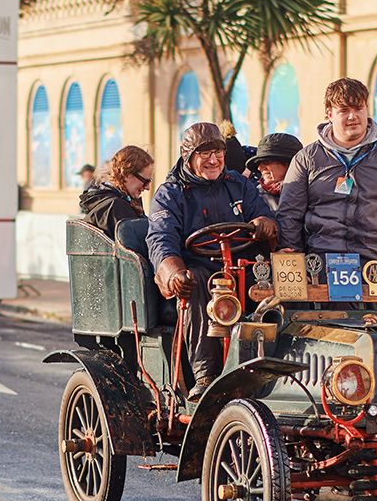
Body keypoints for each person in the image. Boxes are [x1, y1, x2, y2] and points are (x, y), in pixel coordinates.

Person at [276, 78, 377, 318]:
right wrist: (299, 266)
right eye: (344, 110)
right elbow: (289, 215)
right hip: (321, 271)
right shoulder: (307, 159)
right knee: (324, 347)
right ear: (329, 113)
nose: (353, 117)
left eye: (358, 108)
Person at [147, 122, 277, 400]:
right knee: (196, 284)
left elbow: (263, 214)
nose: (213, 159)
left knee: (272, 284)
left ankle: (268, 366)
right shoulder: (170, 193)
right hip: (198, 269)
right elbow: (160, 238)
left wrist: (264, 223)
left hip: (241, 265)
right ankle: (205, 373)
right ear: (188, 157)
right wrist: (173, 272)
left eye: (217, 152)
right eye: (204, 153)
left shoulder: (238, 184)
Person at [79, 145, 153, 237]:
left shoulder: (106, 201)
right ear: (127, 174)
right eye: (145, 181)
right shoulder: (116, 207)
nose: (148, 187)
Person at [245, 133, 302, 212]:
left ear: (289, 164)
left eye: (266, 162)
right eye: (259, 163)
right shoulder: (254, 197)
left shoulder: (314, 192)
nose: (259, 168)